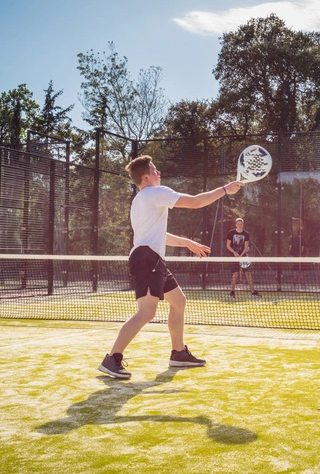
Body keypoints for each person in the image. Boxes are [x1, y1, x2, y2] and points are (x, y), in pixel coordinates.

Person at [98, 155, 244, 380]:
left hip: (152, 257)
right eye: (155, 170)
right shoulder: (155, 192)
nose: (159, 173)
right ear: (146, 177)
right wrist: (225, 189)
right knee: (147, 312)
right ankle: (112, 358)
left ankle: (178, 353)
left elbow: (158, 235)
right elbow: (195, 202)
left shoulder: (140, 201)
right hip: (147, 258)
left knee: (179, 301)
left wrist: (187, 242)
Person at [226, 218, 260, 299]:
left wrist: (241, 255)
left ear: (243, 225)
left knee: (248, 273)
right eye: (238, 224)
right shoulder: (231, 233)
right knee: (235, 274)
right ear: (235, 224)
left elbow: (246, 247)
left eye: (241, 224)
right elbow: (228, 246)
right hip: (234, 256)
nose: (239, 225)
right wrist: (234, 252)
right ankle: (232, 292)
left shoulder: (246, 234)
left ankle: (253, 292)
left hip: (243, 256)